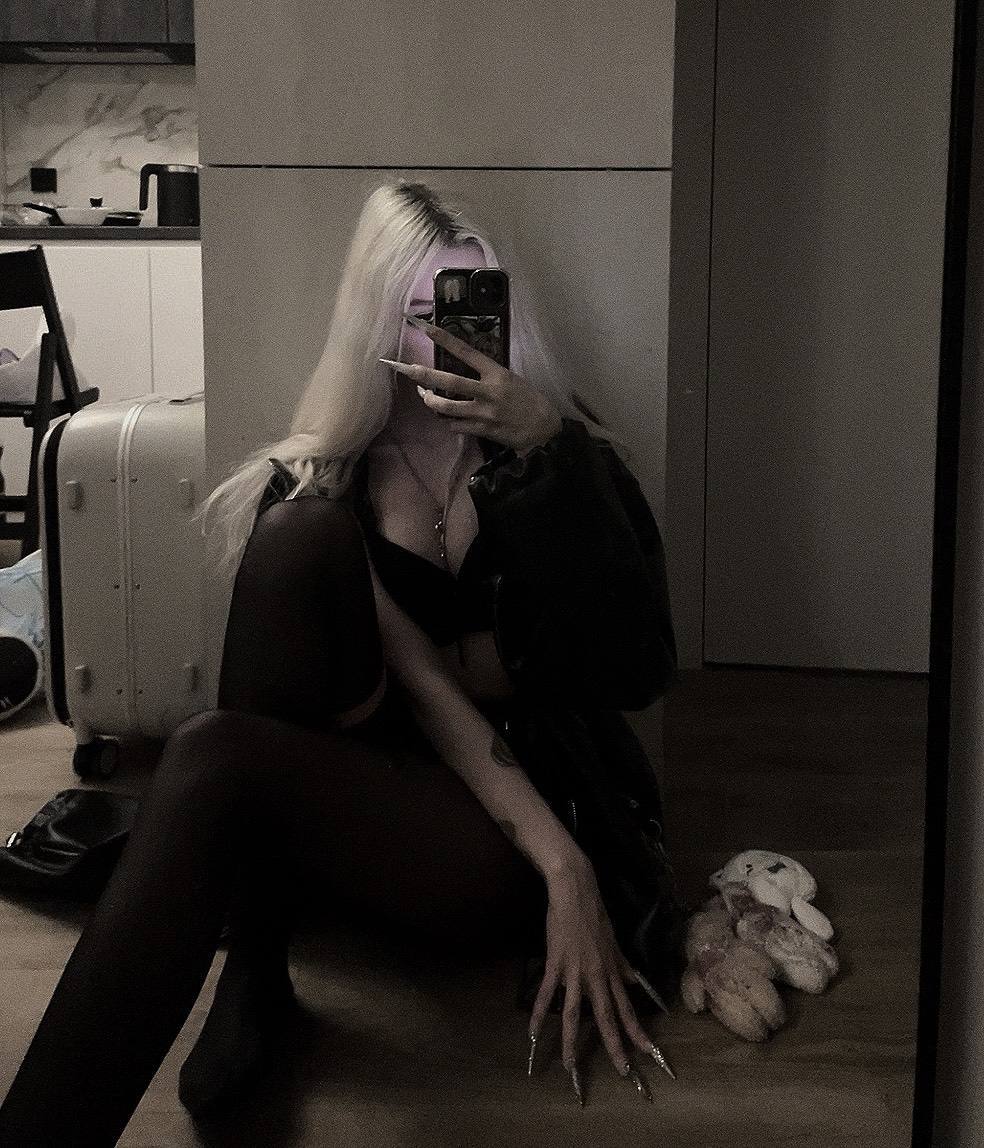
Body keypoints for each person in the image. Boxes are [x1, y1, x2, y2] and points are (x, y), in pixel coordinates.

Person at [0, 181, 681, 1144]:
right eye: (421, 312)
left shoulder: (557, 449)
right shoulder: (337, 479)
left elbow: (635, 668)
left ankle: (248, 962)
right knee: (288, 548)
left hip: (516, 812)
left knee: (212, 749)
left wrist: (545, 452)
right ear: (378, 323)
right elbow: (427, 691)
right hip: (377, 773)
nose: (451, 339)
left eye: (473, 304)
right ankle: (253, 969)